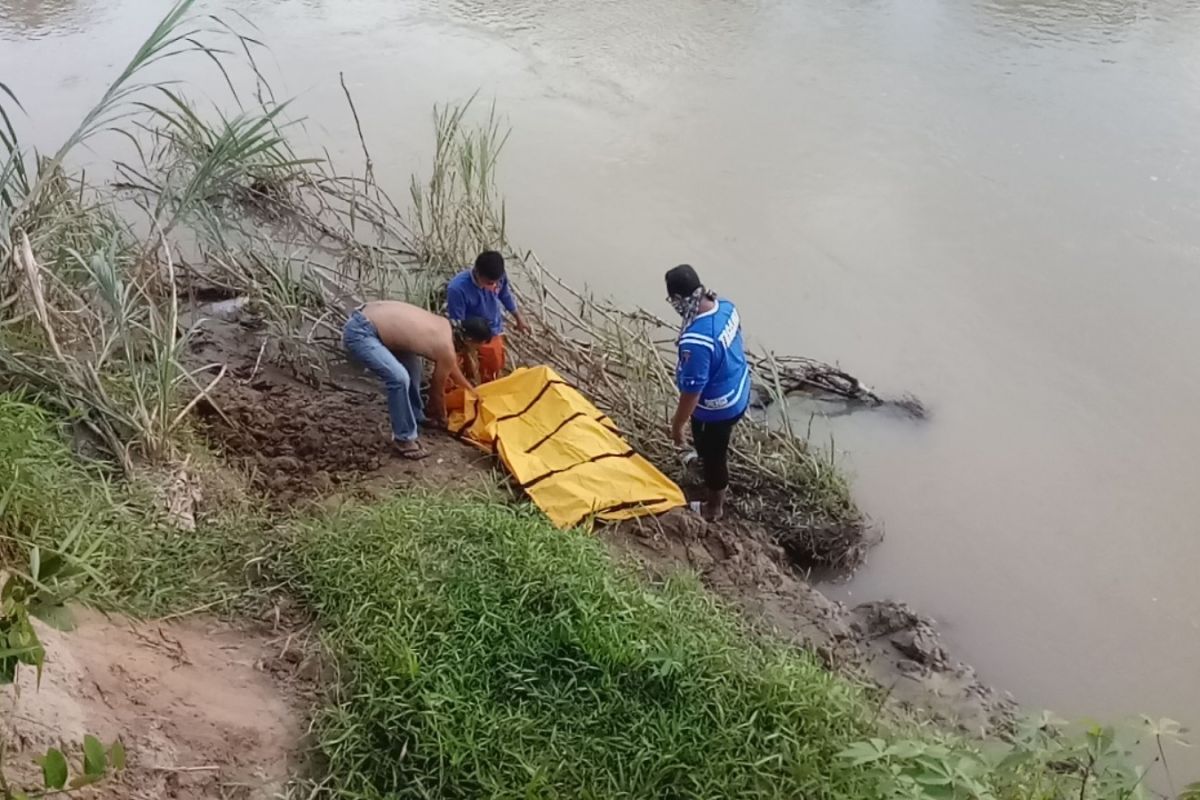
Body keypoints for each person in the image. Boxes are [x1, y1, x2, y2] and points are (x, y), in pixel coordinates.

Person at [343, 300, 492, 460]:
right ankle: (404, 438)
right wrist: (442, 418)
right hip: (361, 332)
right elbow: (437, 391)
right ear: (469, 340)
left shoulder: (445, 326)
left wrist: (472, 391)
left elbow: (451, 367)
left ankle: (416, 415)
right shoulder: (446, 348)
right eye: (478, 346)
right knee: (399, 379)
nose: (475, 350)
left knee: (414, 366)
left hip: (368, 315)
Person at [665, 264, 750, 521]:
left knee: (715, 454)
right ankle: (701, 457)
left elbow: (692, 394)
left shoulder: (697, 341)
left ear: (679, 299)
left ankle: (714, 507)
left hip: (720, 406)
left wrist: (677, 426)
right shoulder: (725, 306)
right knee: (706, 442)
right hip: (739, 384)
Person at [445, 250, 529, 384]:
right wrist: (468, 354)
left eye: (497, 282)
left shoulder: (497, 276)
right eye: (490, 283)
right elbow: (458, 324)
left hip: (493, 330)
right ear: (477, 273)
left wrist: (518, 317)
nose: (494, 286)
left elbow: (505, 295)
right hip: (471, 335)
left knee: (493, 371)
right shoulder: (457, 289)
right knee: (464, 373)